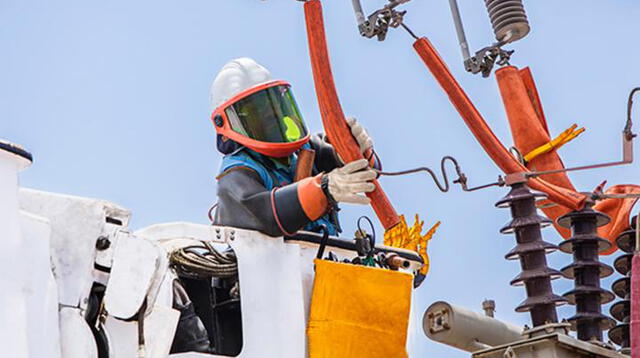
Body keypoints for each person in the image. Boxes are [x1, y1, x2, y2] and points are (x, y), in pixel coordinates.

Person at [210, 57, 379, 236]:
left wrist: (355, 149)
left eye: (271, 104)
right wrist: (323, 189)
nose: (269, 114)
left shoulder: (305, 150)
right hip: (263, 262)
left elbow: (369, 173)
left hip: (316, 258)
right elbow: (265, 215)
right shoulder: (237, 173)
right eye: (256, 110)